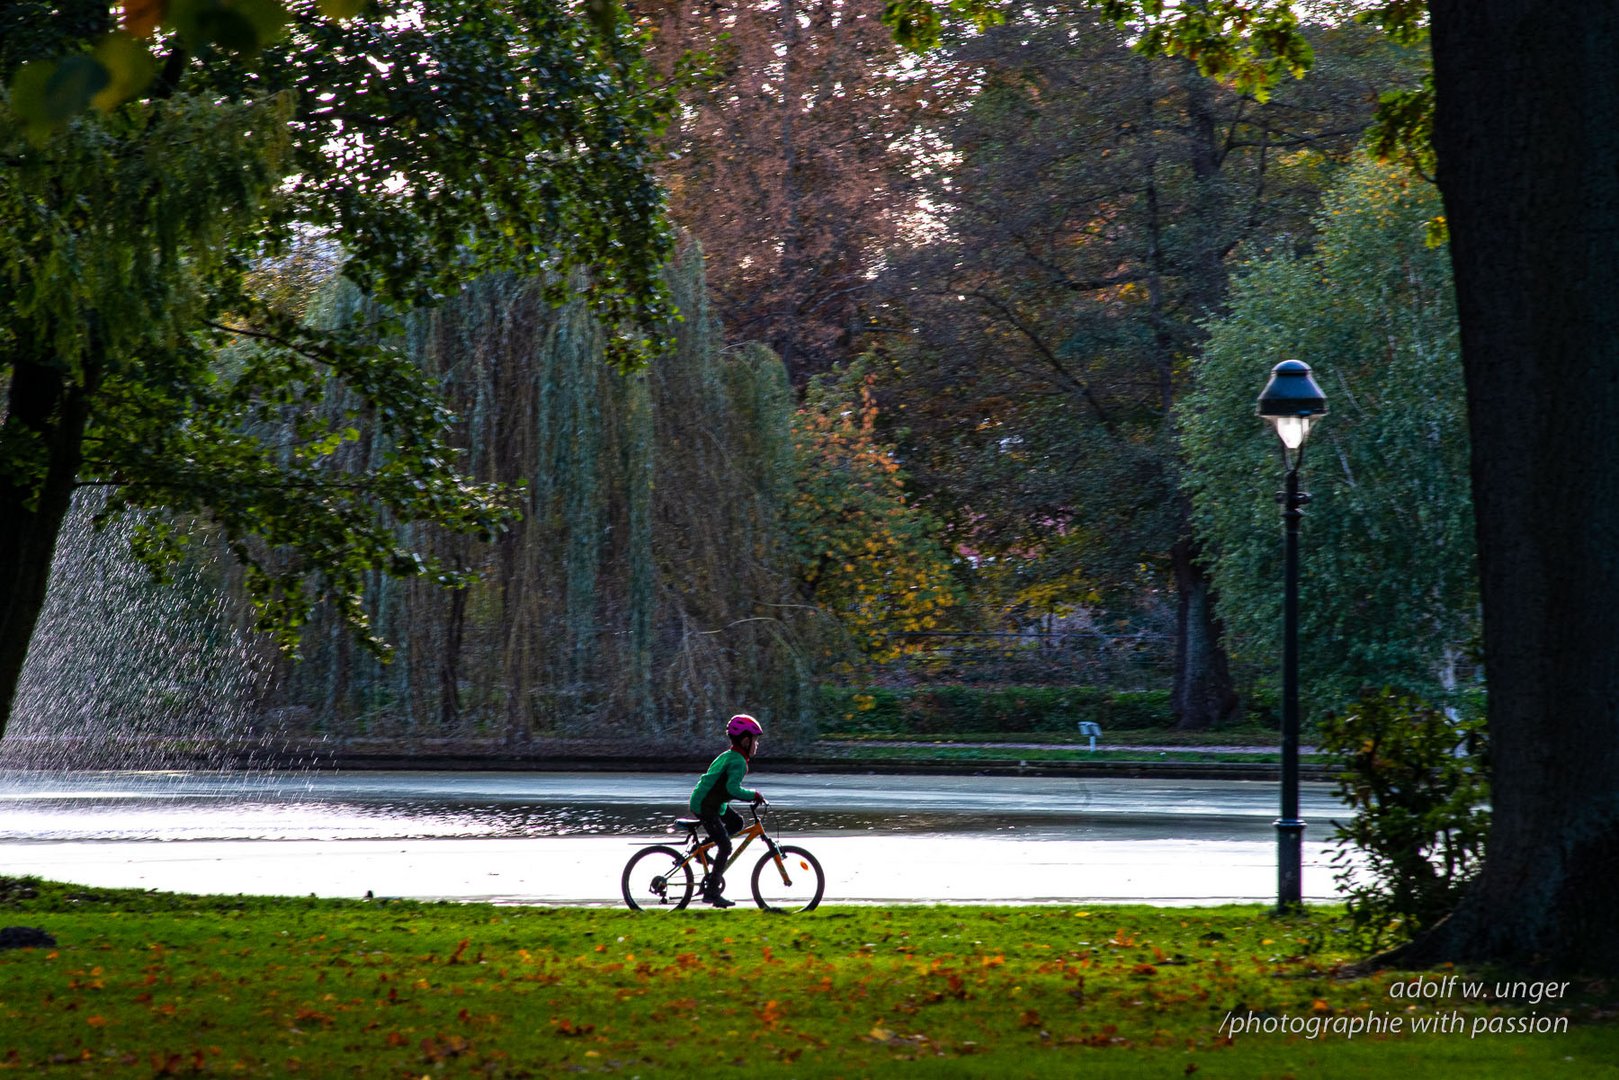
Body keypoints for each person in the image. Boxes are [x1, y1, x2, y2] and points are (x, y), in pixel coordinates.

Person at [688, 713, 765, 907]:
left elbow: (723, 786)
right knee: (725, 846)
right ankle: (712, 892)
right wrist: (754, 795)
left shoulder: (729, 755)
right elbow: (732, 789)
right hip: (706, 805)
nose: (756, 745)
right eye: (755, 741)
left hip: (710, 802)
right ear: (746, 741)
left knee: (736, 823)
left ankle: (701, 850)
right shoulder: (738, 761)